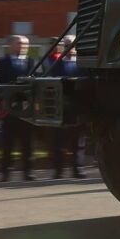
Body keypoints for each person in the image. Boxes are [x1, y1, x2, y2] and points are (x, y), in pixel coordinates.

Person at [0, 36, 35, 180]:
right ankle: (5, 172)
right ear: (10, 45)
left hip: (26, 108)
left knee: (27, 142)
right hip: (9, 108)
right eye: (19, 43)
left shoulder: (32, 62)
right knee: (7, 142)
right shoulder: (3, 62)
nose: (23, 46)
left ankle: (27, 172)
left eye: (25, 44)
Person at [44, 38, 83, 178]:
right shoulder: (56, 63)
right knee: (58, 141)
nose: (70, 48)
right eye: (67, 45)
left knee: (76, 141)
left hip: (77, 106)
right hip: (60, 107)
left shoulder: (82, 63)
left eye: (73, 46)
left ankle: (76, 169)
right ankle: (58, 170)